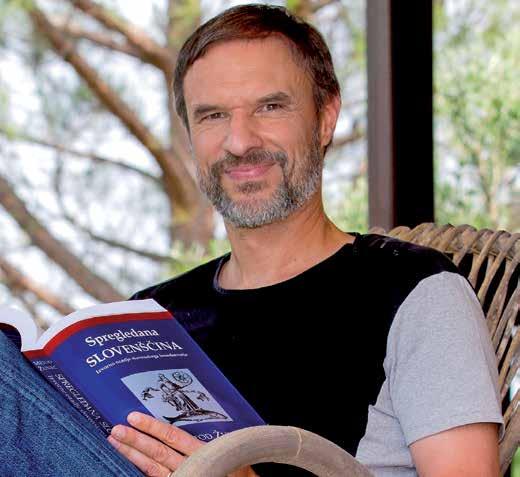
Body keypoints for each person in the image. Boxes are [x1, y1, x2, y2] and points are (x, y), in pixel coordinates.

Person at [0, 4, 503, 477]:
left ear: (326, 118)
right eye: (212, 115)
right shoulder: (152, 316)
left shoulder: (412, 289)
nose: (239, 142)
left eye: (270, 106)